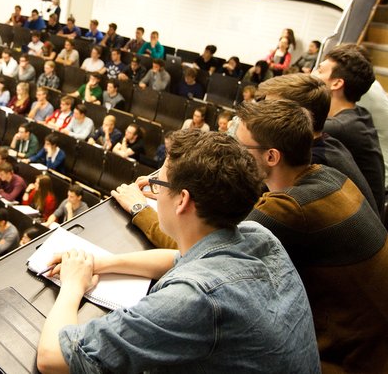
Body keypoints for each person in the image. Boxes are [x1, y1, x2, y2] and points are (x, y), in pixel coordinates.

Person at [40, 130, 320, 373]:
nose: (153, 192)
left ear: (183, 200)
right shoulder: (259, 236)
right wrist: (100, 263)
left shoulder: (195, 299)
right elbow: (178, 260)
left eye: (158, 184)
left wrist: (73, 285)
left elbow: (53, 358)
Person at [236, 99, 388, 372]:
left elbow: (209, 253)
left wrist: (145, 206)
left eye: (241, 148)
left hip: (362, 365)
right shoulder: (329, 176)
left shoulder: (291, 208)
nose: (234, 153)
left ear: (271, 156)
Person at [256, 73, 380, 215]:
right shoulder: (328, 143)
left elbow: (258, 210)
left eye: (270, 110)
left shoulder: (307, 163)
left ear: (297, 118)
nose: (260, 116)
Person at [316, 45, 385, 215]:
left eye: (320, 70)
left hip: (362, 222)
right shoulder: (358, 114)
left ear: (337, 83)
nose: (312, 75)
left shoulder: (339, 127)